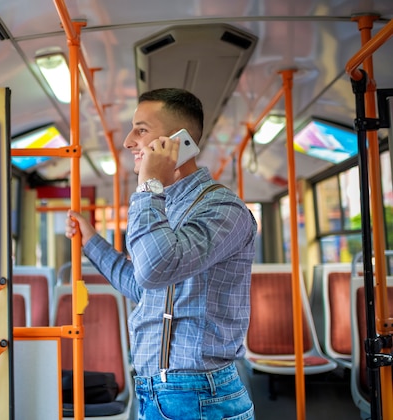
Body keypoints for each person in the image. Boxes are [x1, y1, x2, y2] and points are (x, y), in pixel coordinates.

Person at [65, 88, 257, 419]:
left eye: (141, 129)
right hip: (157, 392)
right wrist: (91, 241)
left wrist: (150, 184)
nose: (128, 141)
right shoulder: (165, 205)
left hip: (199, 396)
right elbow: (145, 287)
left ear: (179, 140)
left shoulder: (224, 209)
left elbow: (155, 268)